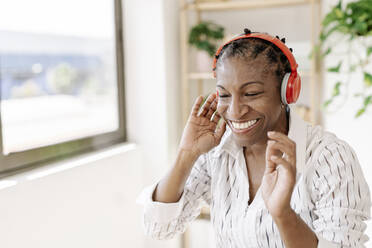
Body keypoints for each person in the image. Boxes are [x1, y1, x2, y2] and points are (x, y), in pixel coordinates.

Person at [136, 29, 371, 247]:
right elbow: (159, 228)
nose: (235, 111)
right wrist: (186, 156)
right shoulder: (216, 153)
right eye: (225, 95)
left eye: (251, 93)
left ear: (288, 92)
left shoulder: (330, 158)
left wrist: (283, 213)